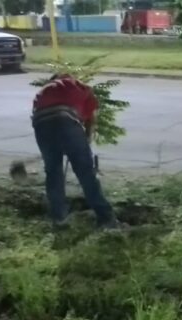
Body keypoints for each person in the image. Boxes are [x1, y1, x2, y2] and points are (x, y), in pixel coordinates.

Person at [32, 73, 117, 230]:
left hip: (41, 124)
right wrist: (84, 141)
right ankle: (106, 218)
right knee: (86, 173)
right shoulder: (82, 87)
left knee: (53, 172)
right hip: (67, 121)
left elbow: (39, 116)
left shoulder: (44, 90)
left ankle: (59, 219)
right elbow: (91, 121)